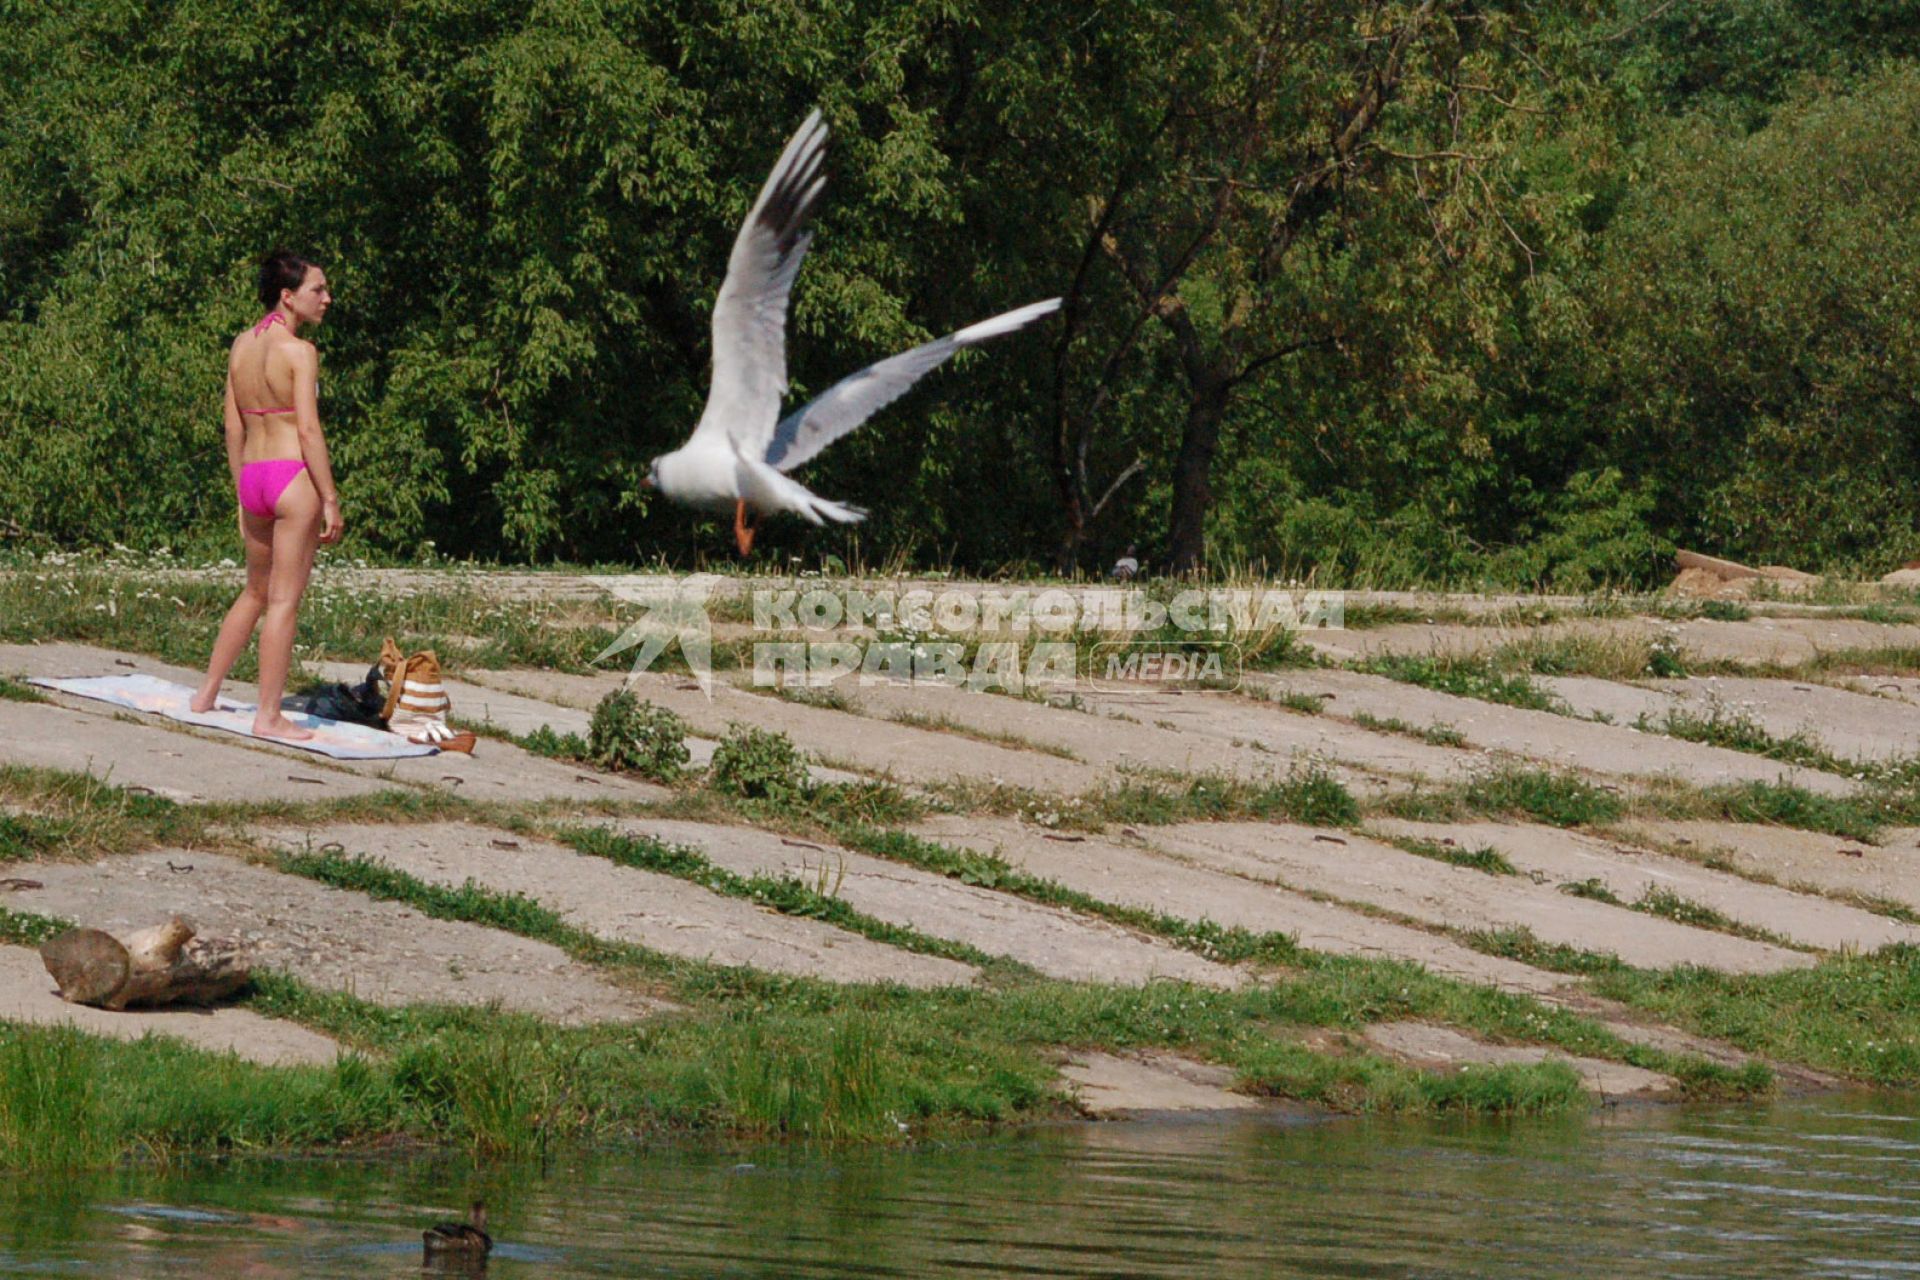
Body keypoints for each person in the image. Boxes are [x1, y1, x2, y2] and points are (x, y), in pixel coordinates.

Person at [190, 250, 343, 739]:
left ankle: (206, 692)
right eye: (317, 289)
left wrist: (241, 490)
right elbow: (310, 431)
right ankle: (269, 715)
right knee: (283, 601)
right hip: (291, 478)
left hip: (254, 474)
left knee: (254, 590)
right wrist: (331, 498)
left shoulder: (241, 345)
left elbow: (232, 424)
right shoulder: (300, 352)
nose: (326, 298)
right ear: (288, 296)